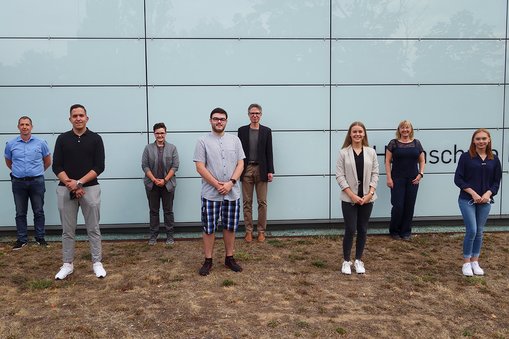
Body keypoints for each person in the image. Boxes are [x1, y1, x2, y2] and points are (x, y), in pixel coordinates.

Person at [52, 104, 106, 280]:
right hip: (65, 188)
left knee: (93, 228)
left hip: (90, 189)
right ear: (70, 119)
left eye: (81, 115)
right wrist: (70, 184)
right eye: (74, 116)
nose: (78, 118)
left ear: (87, 118)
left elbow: (99, 166)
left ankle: (97, 263)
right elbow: (56, 165)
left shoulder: (96, 139)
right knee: (68, 230)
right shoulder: (62, 139)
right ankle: (67, 264)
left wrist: (80, 183)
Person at [193, 107, 245, 276]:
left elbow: (241, 164)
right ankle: (208, 260)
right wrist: (217, 184)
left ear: (226, 121)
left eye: (222, 119)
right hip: (211, 193)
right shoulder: (202, 141)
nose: (219, 121)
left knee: (230, 226)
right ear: (210, 121)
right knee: (209, 228)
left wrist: (230, 183)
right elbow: (200, 167)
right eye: (216, 119)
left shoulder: (235, 141)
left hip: (232, 192)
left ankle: (229, 258)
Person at [454, 128, 502, 277]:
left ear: (488, 140)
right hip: (467, 200)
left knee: (480, 232)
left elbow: (496, 181)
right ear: (473, 141)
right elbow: (458, 179)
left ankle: (475, 261)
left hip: (485, 201)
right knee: (472, 230)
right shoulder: (466, 157)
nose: (481, 141)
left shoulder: (494, 159)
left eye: (483, 139)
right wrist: (473, 193)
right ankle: (466, 262)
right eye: (478, 139)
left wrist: (488, 193)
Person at [336, 121, 379, 275]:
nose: (357, 134)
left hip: (367, 198)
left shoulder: (371, 152)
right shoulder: (343, 153)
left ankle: (358, 260)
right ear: (350, 134)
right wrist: (352, 195)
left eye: (360, 131)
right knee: (350, 228)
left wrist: (370, 194)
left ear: (364, 134)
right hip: (349, 199)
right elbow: (339, 176)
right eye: (354, 131)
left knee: (362, 229)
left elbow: (375, 174)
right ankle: (346, 261)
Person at [4, 116, 51, 250]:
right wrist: (19, 172)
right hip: (18, 182)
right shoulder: (11, 144)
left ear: (31, 126)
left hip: (37, 181)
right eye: (22, 124)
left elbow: (47, 161)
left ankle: (40, 238)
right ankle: (22, 239)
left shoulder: (40, 143)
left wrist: (37, 172)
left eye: (27, 124)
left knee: (39, 211)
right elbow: (9, 162)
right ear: (18, 127)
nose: (24, 127)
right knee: (20, 212)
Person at [238, 103, 274, 243]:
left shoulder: (266, 131)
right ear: (248, 115)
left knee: (262, 202)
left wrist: (270, 170)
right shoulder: (242, 131)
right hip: (246, 168)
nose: (255, 115)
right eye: (252, 113)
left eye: (257, 113)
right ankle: (248, 231)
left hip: (262, 169)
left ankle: (261, 231)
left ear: (261, 115)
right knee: (247, 202)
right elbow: (238, 152)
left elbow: (269, 152)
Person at [385, 120, 425, 240]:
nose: (405, 130)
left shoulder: (417, 144)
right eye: (402, 128)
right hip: (397, 179)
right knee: (398, 206)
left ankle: (406, 232)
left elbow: (422, 160)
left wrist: (420, 174)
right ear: (399, 130)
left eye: (407, 128)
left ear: (411, 129)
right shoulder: (393, 143)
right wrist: (389, 178)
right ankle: (394, 231)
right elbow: (387, 162)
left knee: (409, 206)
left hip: (413, 179)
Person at [142, 122, 179, 245]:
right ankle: (153, 236)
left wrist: (165, 180)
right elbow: (145, 166)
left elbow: (175, 166)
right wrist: (154, 180)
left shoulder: (172, 148)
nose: (160, 135)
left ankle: (170, 236)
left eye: (162, 133)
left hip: (168, 185)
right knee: (154, 211)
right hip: (152, 185)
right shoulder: (148, 148)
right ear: (154, 134)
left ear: (165, 133)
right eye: (157, 133)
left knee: (168, 211)